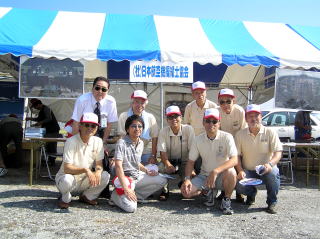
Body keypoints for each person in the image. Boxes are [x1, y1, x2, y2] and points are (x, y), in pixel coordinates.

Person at [181, 108, 238, 215]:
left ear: (219, 123)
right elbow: (190, 162)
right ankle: (208, 192)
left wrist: (215, 171)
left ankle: (226, 200)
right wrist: (187, 179)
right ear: (203, 122)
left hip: (222, 176)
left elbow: (234, 160)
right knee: (186, 192)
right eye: (207, 121)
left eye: (214, 121)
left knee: (231, 172)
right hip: (205, 176)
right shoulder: (198, 139)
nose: (211, 124)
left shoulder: (227, 137)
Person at [110, 115, 167, 213]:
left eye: (140, 126)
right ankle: (115, 196)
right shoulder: (121, 143)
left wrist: (147, 170)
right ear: (127, 129)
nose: (137, 129)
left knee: (162, 180)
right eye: (133, 126)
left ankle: (135, 196)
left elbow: (136, 163)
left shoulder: (140, 143)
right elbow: (118, 166)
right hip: (125, 179)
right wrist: (125, 188)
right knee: (131, 208)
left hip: (136, 176)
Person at [55, 113, 110, 209]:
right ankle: (65, 198)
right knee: (67, 180)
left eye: (93, 126)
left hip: (84, 180)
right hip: (68, 178)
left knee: (105, 176)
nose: (90, 128)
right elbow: (67, 168)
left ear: (96, 128)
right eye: (86, 125)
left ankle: (87, 196)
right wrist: (86, 170)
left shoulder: (98, 141)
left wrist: (98, 171)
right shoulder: (71, 141)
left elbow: (99, 164)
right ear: (80, 125)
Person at [235, 104, 283, 214]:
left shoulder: (270, 132)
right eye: (250, 116)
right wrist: (240, 170)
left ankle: (272, 202)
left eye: (256, 115)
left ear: (261, 117)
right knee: (238, 184)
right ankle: (251, 194)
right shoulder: (240, 135)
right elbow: (237, 156)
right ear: (246, 119)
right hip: (249, 171)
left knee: (273, 173)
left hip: (266, 169)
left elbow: (278, 153)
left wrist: (270, 165)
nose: (253, 118)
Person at [157, 106, 195, 200]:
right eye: (170, 117)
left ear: (181, 118)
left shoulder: (189, 129)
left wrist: (192, 168)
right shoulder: (163, 131)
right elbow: (162, 151)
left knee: (187, 192)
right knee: (161, 167)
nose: (174, 119)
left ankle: (182, 183)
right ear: (167, 120)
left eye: (176, 116)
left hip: (185, 162)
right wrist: (167, 164)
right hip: (169, 160)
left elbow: (192, 151)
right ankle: (164, 190)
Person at [217, 88, 247, 202]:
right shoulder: (216, 112)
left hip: (238, 144)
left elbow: (244, 131)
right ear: (218, 102)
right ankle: (225, 191)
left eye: (228, 101)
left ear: (233, 101)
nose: (225, 104)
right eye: (222, 102)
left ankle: (240, 193)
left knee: (240, 168)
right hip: (224, 145)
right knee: (226, 169)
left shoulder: (240, 111)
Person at [118, 90, 159, 165]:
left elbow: (154, 137)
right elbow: (122, 136)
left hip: (146, 151)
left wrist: (153, 156)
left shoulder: (150, 117)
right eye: (136, 102)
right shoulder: (123, 116)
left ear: (146, 104)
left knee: (153, 169)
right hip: (128, 150)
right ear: (132, 103)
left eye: (142, 103)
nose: (139, 105)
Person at [71, 76, 118, 143]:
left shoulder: (111, 102)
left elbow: (109, 125)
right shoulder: (82, 100)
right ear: (92, 88)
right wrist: (76, 143)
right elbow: (76, 123)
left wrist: (103, 143)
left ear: (107, 91)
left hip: (101, 135)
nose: (100, 91)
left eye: (104, 89)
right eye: (97, 88)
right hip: (83, 134)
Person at [26, 99, 60, 166]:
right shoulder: (41, 110)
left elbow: (49, 118)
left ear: (39, 104)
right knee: (48, 145)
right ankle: (49, 160)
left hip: (52, 130)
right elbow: (39, 119)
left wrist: (40, 123)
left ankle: (52, 162)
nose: (35, 108)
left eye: (35, 106)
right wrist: (30, 119)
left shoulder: (46, 109)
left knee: (52, 145)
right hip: (47, 130)